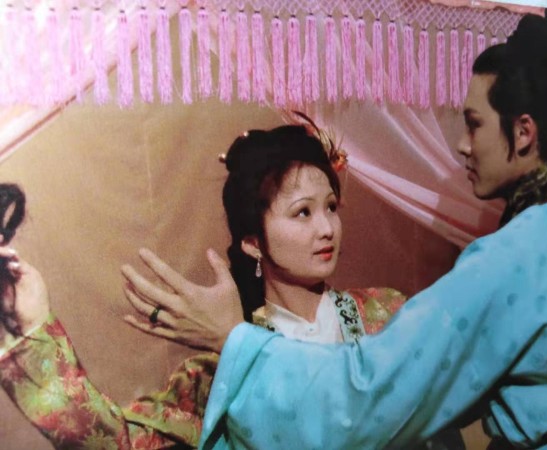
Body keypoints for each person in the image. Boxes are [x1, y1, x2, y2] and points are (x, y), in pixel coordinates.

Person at [117, 10, 547, 450]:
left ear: (523, 132)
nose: (461, 145)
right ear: (252, 241)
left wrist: (234, 340)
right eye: (302, 213)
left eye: (473, 124)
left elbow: (363, 403)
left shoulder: (410, 299)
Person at [0, 122, 464, 448]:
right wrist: (34, 329)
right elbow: (119, 440)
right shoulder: (219, 366)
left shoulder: (386, 314)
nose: (327, 228)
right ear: (253, 242)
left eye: (330, 207)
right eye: (302, 212)